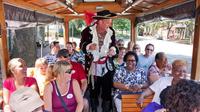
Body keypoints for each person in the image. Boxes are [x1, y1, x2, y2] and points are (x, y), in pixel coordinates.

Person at [80, 9, 117, 112]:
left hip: (107, 66)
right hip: (93, 67)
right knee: (93, 91)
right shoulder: (87, 31)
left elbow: (114, 45)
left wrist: (113, 50)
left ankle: (106, 110)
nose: (110, 24)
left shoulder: (111, 31)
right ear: (100, 21)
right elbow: (81, 46)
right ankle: (94, 109)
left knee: (107, 90)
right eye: (108, 22)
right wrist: (88, 46)